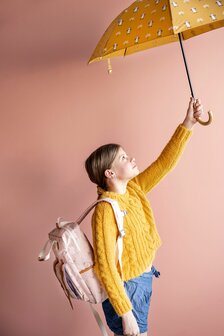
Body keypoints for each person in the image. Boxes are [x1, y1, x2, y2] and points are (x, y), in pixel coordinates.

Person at [85, 97, 204, 336]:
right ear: (110, 173)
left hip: (143, 279)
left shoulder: (134, 188)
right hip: (127, 292)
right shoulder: (105, 210)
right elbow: (106, 268)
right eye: (123, 158)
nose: (131, 159)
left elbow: (164, 164)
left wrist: (188, 123)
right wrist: (126, 313)